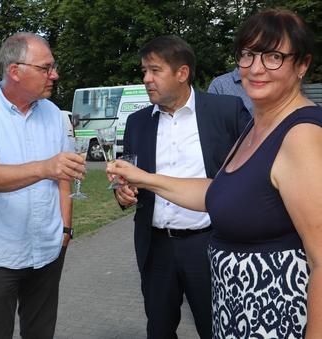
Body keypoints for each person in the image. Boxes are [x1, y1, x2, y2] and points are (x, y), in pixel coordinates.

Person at [108, 9, 322, 338]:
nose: (256, 68)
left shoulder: (302, 133)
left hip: (275, 320)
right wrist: (141, 178)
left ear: (302, 65)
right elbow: (215, 192)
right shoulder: (258, 127)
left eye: (273, 56)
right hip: (236, 315)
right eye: (248, 55)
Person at [113, 35, 250, 338]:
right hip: (156, 246)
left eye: (155, 71)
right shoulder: (137, 122)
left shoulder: (226, 111)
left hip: (210, 244)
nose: (146, 79)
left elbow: (250, 176)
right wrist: (121, 194)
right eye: (144, 72)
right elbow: (126, 178)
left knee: (216, 328)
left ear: (182, 73)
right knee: (159, 329)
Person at [0, 32, 85, 339]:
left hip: (48, 250)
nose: (55, 74)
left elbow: (64, 177)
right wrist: (44, 167)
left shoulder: (54, 114)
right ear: (15, 71)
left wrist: (65, 231)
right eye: (46, 67)